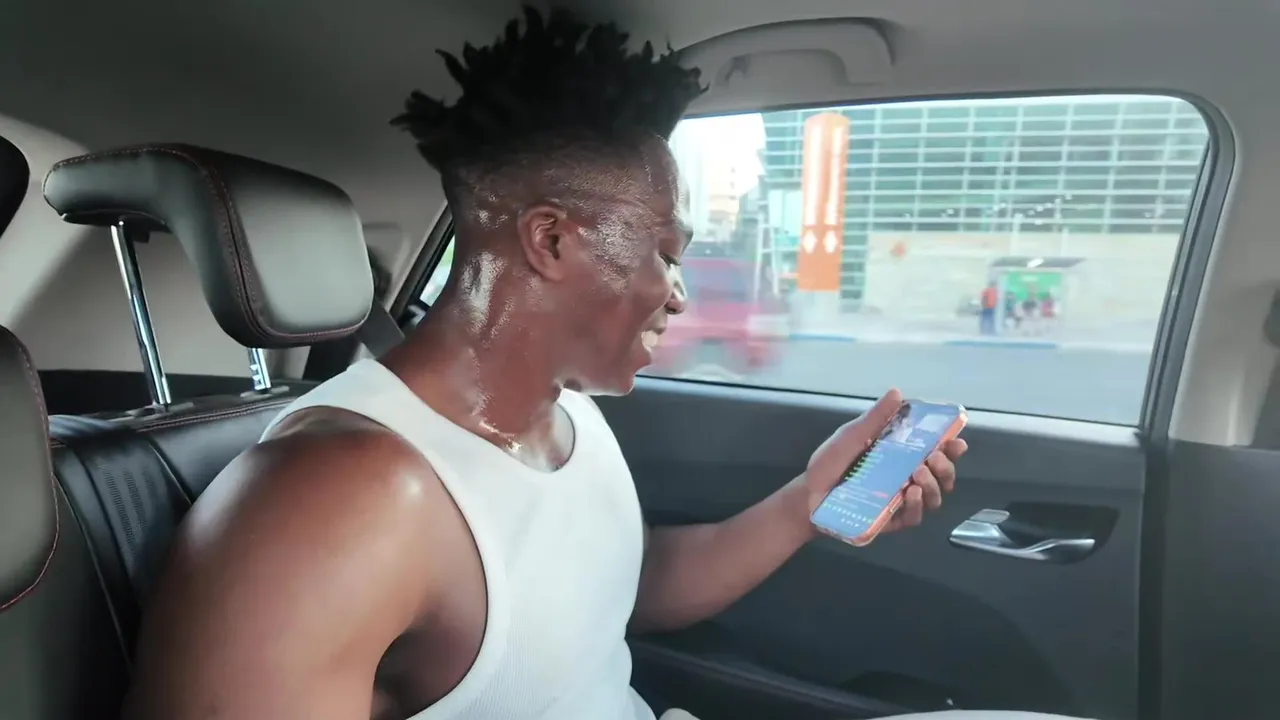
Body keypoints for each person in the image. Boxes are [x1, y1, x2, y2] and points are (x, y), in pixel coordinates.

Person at [120, 8, 1082, 720]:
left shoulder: (565, 414)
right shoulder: (331, 501)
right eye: (664, 251)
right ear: (550, 241)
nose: (679, 291)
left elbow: (613, 592)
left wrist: (808, 501)